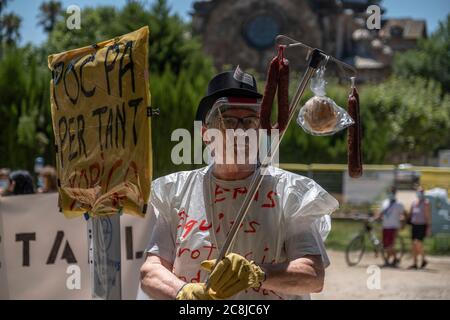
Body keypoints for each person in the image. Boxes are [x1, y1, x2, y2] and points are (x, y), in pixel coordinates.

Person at [140, 69, 339, 300]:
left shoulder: (291, 192)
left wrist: (257, 273)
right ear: (206, 134)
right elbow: (150, 272)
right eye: (229, 120)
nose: (241, 131)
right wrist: (183, 292)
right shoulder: (176, 191)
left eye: (251, 121)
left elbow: (313, 276)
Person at [375, 186, 406, 267]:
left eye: (391, 192)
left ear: (395, 193)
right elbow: (381, 212)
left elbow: (403, 214)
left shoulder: (399, 204)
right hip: (385, 226)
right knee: (386, 245)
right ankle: (393, 259)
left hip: (394, 226)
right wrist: (377, 216)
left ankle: (391, 260)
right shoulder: (385, 202)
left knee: (390, 245)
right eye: (389, 192)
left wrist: (403, 222)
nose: (390, 194)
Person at [407, 186, 432, 269]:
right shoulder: (414, 202)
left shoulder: (426, 203)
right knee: (414, 245)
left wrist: (429, 227)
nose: (420, 193)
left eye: (421, 191)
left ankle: (424, 259)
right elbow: (410, 214)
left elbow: (428, 216)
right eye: (418, 191)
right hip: (414, 225)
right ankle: (415, 263)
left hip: (422, 225)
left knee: (418, 243)